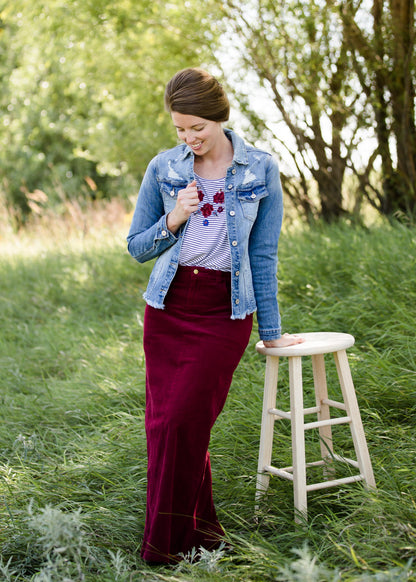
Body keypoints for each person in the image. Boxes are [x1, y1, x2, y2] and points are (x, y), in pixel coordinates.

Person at [127, 67, 303, 564]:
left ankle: (165, 548)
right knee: (167, 426)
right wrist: (174, 218)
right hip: (168, 307)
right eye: (180, 129)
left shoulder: (260, 170)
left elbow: (264, 255)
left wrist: (270, 331)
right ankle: (198, 534)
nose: (189, 138)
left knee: (187, 420)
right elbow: (137, 246)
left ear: (220, 117)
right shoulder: (164, 167)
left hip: (223, 313)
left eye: (197, 128)